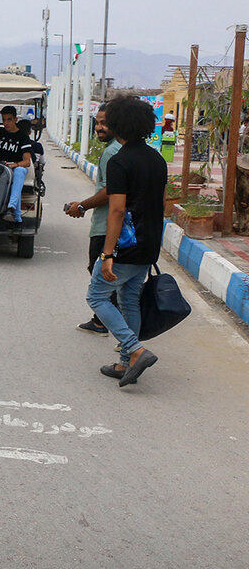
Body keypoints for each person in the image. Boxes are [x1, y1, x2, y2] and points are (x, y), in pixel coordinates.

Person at [85, 97, 167, 387]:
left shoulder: (120, 161)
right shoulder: (156, 159)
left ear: (119, 123)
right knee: (128, 298)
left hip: (125, 246)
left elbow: (117, 210)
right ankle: (124, 364)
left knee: (96, 296)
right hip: (149, 244)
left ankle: (136, 350)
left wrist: (108, 253)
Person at [65, 104, 121, 335]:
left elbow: (110, 191)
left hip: (106, 225)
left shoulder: (111, 152)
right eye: (97, 122)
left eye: (104, 123)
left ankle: (110, 324)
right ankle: (103, 320)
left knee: (101, 275)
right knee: (108, 276)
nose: (99, 127)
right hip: (112, 224)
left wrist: (82, 205)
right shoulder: (119, 149)